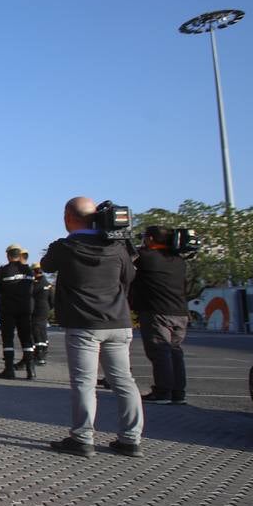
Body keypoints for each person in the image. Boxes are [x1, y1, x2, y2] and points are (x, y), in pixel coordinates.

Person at [40, 196, 144, 458]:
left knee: (85, 383)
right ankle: (131, 440)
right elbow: (130, 276)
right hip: (118, 323)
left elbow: (46, 265)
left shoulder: (65, 247)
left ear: (67, 217)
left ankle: (83, 438)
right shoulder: (118, 247)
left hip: (83, 325)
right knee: (124, 382)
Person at [131, 226, 189, 404]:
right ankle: (178, 393)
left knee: (160, 351)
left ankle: (163, 391)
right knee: (175, 352)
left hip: (157, 312)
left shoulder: (147, 257)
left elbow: (128, 254)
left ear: (149, 239)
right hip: (180, 312)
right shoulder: (178, 259)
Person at [0, 244, 36, 379]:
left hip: (8, 309)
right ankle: (31, 371)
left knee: (8, 340)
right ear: (20, 255)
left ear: (8, 255)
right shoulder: (28, 270)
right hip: (25, 308)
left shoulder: (4, 271)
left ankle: (9, 370)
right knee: (26, 340)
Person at [31, 264, 53, 365]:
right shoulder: (48, 284)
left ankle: (39, 356)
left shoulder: (35, 284)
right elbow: (52, 300)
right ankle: (43, 352)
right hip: (45, 310)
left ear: (34, 272)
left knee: (37, 332)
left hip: (36, 310)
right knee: (43, 331)